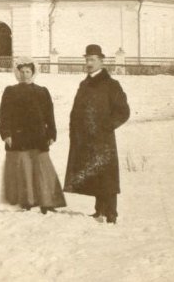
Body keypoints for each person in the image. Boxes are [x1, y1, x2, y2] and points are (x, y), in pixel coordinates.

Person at [63, 44, 130, 224]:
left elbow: (123, 111)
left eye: (92, 60)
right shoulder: (84, 84)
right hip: (85, 138)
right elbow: (76, 111)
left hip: (103, 138)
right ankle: (99, 209)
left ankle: (111, 213)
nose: (89, 63)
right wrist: (75, 132)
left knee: (107, 175)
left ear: (102, 61)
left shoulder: (111, 84)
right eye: (87, 60)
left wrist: (106, 126)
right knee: (94, 172)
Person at [0, 57, 66, 214]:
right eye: (22, 71)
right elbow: (4, 115)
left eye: (28, 71)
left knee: (42, 168)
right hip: (18, 135)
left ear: (33, 73)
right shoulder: (10, 91)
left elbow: (50, 115)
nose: (25, 75)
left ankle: (47, 203)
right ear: (17, 73)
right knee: (24, 168)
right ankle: (27, 202)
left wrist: (52, 134)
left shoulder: (42, 91)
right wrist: (6, 133)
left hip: (39, 136)